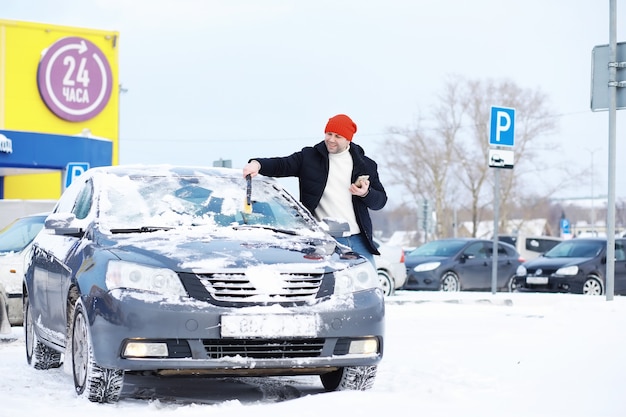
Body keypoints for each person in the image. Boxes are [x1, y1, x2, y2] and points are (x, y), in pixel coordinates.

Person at [242, 113, 387, 265]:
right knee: (327, 285)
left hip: (357, 240)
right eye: (329, 134)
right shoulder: (309, 157)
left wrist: (366, 193)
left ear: (348, 139)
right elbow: (281, 164)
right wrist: (257, 164)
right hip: (322, 239)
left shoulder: (366, 165)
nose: (331, 139)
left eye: (338, 136)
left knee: (368, 282)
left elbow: (380, 202)